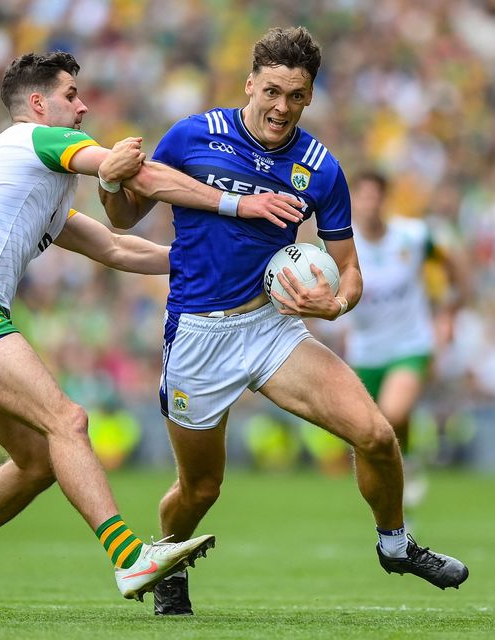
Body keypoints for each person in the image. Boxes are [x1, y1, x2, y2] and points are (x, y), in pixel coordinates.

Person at [0, 51, 304, 616]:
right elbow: (126, 173)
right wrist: (237, 204)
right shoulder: (31, 141)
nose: (83, 104)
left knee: (39, 459)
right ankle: (127, 557)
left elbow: (116, 246)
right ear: (39, 104)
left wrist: (197, 260)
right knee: (68, 420)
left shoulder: (34, 179)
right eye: (71, 95)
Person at [99, 27, 469, 616]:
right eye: (271, 90)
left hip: (273, 330)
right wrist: (109, 179)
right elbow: (122, 218)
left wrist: (336, 304)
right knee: (201, 489)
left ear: (310, 96)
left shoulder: (320, 167)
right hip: (197, 336)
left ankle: (395, 545)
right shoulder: (195, 135)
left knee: (375, 434)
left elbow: (349, 272)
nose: (281, 107)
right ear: (249, 83)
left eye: (296, 95)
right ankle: (166, 561)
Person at [343, 171, 468, 509]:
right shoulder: (341, 242)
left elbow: (450, 261)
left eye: (376, 196)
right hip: (365, 350)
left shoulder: (412, 236)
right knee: (371, 429)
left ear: (386, 200)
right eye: (363, 196)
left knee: (393, 414)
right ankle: (405, 467)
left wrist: (450, 308)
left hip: (410, 343)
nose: (370, 204)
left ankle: (407, 465)